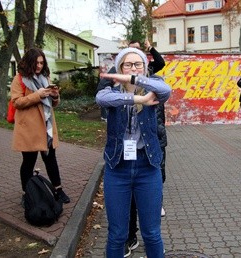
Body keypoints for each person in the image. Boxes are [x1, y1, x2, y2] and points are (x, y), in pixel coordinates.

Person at [96, 47, 171, 258]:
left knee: (152, 233)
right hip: (117, 168)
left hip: (147, 167)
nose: (133, 68)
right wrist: (138, 100)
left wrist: (135, 79)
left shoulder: (154, 88)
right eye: (127, 64)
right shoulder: (110, 92)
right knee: (117, 234)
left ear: (144, 68)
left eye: (138, 64)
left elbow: (167, 91)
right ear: (119, 68)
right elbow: (101, 99)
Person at [11, 48, 70, 206]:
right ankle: (27, 193)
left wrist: (55, 96)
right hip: (29, 128)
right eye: (36, 62)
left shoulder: (45, 77)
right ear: (29, 62)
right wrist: (38, 95)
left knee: (51, 159)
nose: (39, 66)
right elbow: (16, 102)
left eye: (42, 62)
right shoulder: (19, 79)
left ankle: (58, 190)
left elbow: (52, 104)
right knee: (28, 162)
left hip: (47, 126)